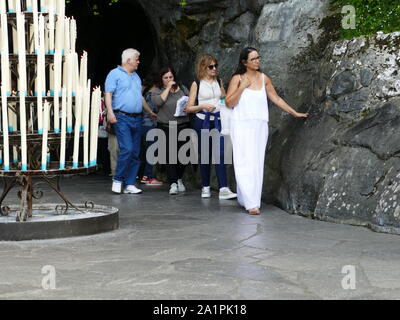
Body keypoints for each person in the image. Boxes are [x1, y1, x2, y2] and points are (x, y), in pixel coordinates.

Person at [225, 47, 308, 215]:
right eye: (253, 59)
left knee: (255, 162)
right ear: (244, 62)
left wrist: (294, 112)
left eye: (258, 58)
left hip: (259, 125)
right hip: (241, 124)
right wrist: (242, 88)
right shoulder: (237, 78)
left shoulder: (264, 78)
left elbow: (275, 98)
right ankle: (251, 203)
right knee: (243, 161)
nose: (257, 61)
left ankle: (247, 199)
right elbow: (229, 103)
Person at [104, 48, 156, 194]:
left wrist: (149, 111)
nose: (138, 62)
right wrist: (110, 113)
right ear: (128, 60)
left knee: (135, 151)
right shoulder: (114, 74)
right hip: (122, 117)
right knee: (126, 148)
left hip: (137, 117)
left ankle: (130, 183)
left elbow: (139, 97)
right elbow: (108, 94)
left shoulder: (136, 76)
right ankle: (118, 179)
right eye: (137, 59)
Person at [186, 54, 237, 200]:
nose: (214, 69)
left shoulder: (219, 81)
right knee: (205, 156)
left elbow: (224, 99)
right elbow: (189, 108)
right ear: (203, 67)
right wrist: (202, 105)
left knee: (220, 154)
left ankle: (223, 188)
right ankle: (206, 187)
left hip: (218, 120)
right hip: (203, 121)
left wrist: (224, 98)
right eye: (211, 66)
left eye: (216, 66)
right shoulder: (197, 83)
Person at [151, 67, 191, 195]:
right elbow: (158, 102)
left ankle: (179, 178)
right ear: (161, 79)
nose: (169, 79)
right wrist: (168, 88)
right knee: (169, 156)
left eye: (171, 77)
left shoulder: (183, 88)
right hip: (166, 126)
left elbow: (191, 100)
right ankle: (173, 183)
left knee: (184, 155)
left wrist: (188, 107)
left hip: (183, 125)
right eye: (166, 78)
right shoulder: (157, 90)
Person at [140, 74, 163, 185]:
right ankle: (148, 177)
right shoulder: (155, 93)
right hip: (150, 125)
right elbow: (156, 109)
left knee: (144, 152)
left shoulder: (145, 91)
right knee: (151, 152)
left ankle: (142, 175)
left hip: (142, 125)